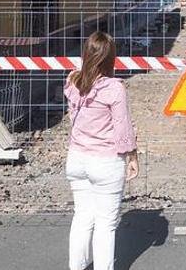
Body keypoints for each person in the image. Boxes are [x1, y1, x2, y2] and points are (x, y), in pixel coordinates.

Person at [65, 31, 139, 270]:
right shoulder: (114, 88)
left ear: (86, 54)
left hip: (76, 158)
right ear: (111, 59)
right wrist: (132, 156)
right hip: (105, 162)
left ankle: (76, 266)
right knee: (105, 225)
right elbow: (122, 128)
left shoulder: (73, 81)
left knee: (82, 218)